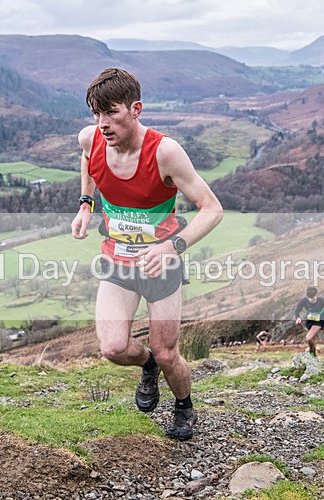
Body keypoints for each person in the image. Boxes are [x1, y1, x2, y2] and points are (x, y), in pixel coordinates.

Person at [71, 68, 223, 441]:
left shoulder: (165, 152)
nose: (103, 124)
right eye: (96, 114)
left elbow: (212, 209)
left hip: (161, 263)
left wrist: (173, 247)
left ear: (136, 109)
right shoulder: (90, 139)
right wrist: (86, 204)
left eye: (112, 113)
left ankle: (184, 405)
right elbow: (88, 162)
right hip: (117, 260)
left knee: (168, 352)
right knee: (113, 347)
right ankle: (147, 364)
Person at [294, 286, 324, 356]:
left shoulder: (321, 300)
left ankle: (312, 353)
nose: (311, 300)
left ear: (316, 295)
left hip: (319, 320)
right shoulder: (304, 301)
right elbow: (297, 310)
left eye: (313, 299)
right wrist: (298, 317)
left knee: (308, 338)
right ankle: (314, 351)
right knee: (312, 338)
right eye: (310, 299)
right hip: (310, 320)